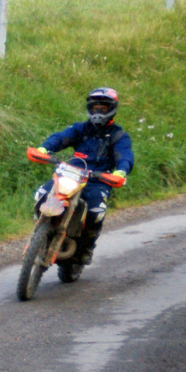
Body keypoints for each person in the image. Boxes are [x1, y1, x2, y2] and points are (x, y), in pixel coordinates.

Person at [33, 87, 134, 266]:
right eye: (95, 107)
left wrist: (121, 171)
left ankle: (87, 247)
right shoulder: (80, 129)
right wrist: (44, 148)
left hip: (98, 180)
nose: (98, 111)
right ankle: (40, 231)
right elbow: (60, 138)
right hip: (69, 174)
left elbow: (125, 155)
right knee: (41, 194)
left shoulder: (119, 136)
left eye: (103, 108)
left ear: (111, 109)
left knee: (96, 212)